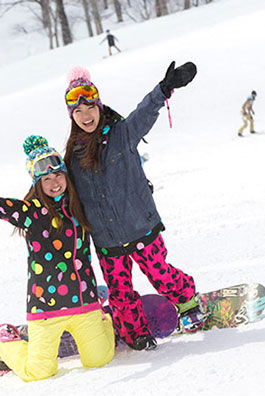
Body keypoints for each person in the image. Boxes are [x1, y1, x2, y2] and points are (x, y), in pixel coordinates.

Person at [0, 135, 115, 382]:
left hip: (85, 302)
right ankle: (3, 342)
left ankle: (107, 317)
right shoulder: (30, 212)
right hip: (46, 307)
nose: (54, 183)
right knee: (38, 372)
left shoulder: (80, 205)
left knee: (99, 360)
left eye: (58, 175)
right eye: (46, 179)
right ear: (37, 183)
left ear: (66, 176)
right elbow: (0, 207)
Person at [61, 63, 205, 350]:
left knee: (160, 274)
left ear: (99, 106)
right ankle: (136, 332)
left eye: (89, 107)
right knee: (120, 292)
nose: (85, 115)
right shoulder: (72, 157)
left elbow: (144, 112)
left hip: (140, 226)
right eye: (78, 111)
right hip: (106, 240)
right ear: (71, 116)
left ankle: (188, 301)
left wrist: (165, 89)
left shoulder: (121, 134)